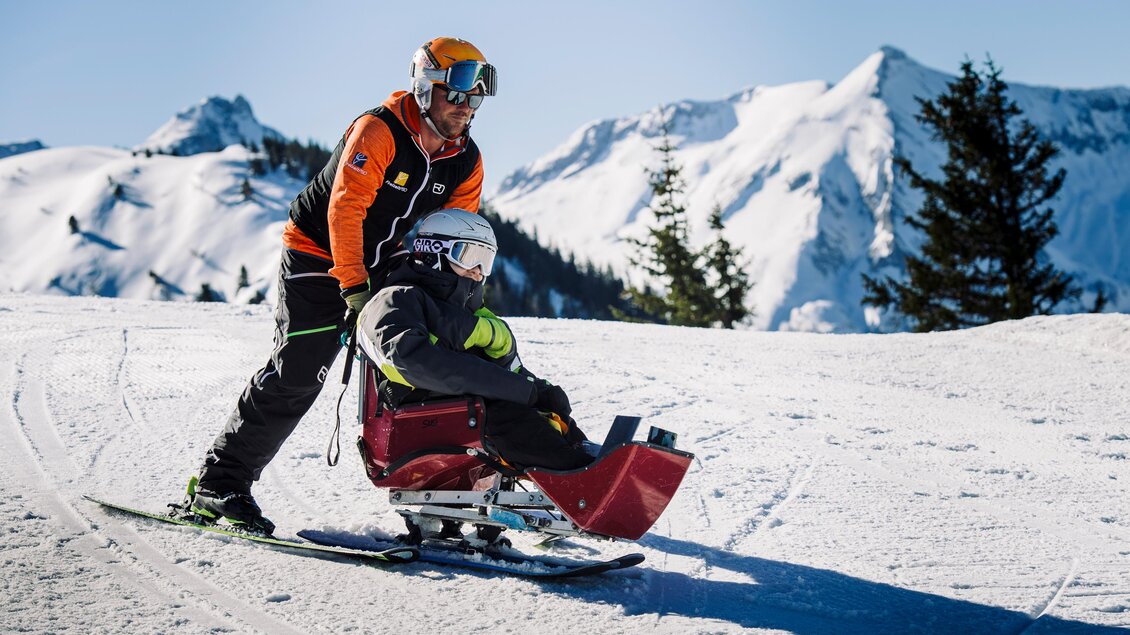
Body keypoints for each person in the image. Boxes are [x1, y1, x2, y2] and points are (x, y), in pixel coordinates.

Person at [187, 37, 497, 535]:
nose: (466, 105)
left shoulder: (466, 159)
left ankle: (441, 496)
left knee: (427, 360)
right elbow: (344, 210)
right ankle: (218, 485)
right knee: (300, 369)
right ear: (424, 87)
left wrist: (452, 307)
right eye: (456, 93)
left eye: (476, 95)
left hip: (384, 261)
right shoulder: (380, 131)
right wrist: (354, 289)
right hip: (317, 253)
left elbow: (452, 236)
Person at [356, 209, 593, 473]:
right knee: (505, 413)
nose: (479, 272)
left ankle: (591, 460)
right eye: (469, 256)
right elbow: (413, 360)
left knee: (546, 414)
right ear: (433, 252)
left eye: (486, 261)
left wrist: (537, 389)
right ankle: (577, 475)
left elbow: (502, 370)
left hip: (455, 413)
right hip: (416, 423)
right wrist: (515, 389)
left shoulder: (469, 312)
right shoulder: (395, 299)